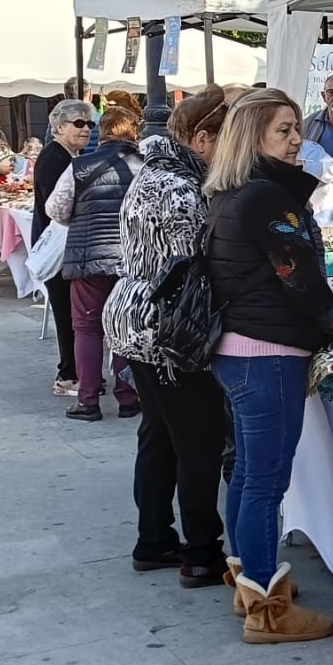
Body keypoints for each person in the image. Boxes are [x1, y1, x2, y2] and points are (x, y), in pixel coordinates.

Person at [203, 87, 333, 643]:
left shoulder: (233, 192)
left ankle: (248, 581)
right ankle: (268, 609)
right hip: (266, 353)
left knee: (247, 473)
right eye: (283, 131)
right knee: (265, 481)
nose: (297, 140)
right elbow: (301, 278)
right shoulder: (264, 197)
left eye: (295, 129)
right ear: (253, 138)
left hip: (241, 351)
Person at [106, 90, 232, 585]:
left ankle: (153, 539)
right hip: (169, 329)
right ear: (202, 139)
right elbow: (198, 271)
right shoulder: (182, 189)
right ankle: (201, 552)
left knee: (159, 435)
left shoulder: (152, 174)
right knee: (196, 441)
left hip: (138, 319)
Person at [46, 106, 141, 422]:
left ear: (103, 133)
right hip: (132, 260)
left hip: (88, 257)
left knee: (86, 328)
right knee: (125, 327)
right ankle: (128, 398)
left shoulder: (79, 166)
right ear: (134, 133)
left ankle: (88, 400)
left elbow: (55, 210)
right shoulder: (146, 167)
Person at [32, 100, 94, 394]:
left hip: (66, 245)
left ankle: (74, 371)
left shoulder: (69, 155)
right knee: (67, 312)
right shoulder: (54, 158)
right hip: (59, 246)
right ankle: (68, 374)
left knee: (73, 311)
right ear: (59, 127)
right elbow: (58, 207)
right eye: (79, 124)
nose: (86, 129)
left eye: (89, 124)